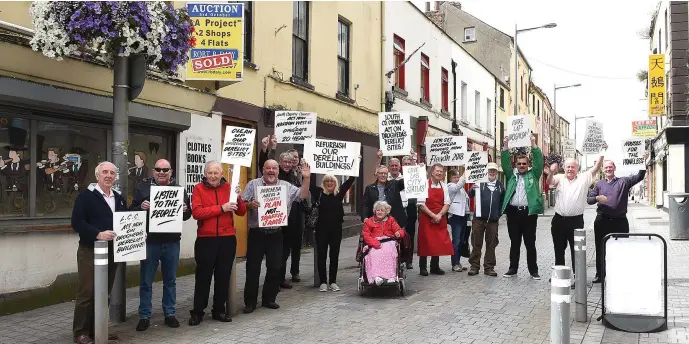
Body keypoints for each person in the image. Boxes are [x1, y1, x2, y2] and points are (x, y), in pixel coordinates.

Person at [241, 159, 311, 313]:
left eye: (274, 168)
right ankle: (250, 302)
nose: (271, 171)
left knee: (274, 268)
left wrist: (306, 178)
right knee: (252, 268)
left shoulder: (285, 186)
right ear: (263, 170)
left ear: (278, 171)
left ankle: (269, 299)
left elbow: (303, 195)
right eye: (268, 168)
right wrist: (249, 205)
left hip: (275, 234)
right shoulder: (253, 184)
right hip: (257, 233)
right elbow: (241, 203)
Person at [131, 159, 192, 331]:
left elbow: (187, 216)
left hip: (172, 242)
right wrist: (141, 207)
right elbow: (131, 210)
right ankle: (144, 316)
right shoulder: (143, 188)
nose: (162, 172)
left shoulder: (179, 190)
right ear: (153, 171)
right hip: (150, 242)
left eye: (165, 169)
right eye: (158, 169)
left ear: (171, 172)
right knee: (145, 281)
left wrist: (186, 209)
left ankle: (170, 313)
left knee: (170, 280)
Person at [71, 161, 127, 344]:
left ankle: (99, 329)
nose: (109, 175)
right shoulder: (85, 197)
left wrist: (137, 232)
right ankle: (81, 332)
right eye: (105, 172)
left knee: (104, 292)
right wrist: (98, 234)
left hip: (112, 251)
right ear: (97, 175)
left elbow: (125, 221)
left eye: (112, 172)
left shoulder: (118, 198)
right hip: (90, 250)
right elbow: (77, 223)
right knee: (86, 293)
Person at [188, 160, 247, 325]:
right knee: (203, 277)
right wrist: (221, 208)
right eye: (210, 173)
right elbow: (197, 212)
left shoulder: (229, 187)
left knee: (223, 276)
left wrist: (239, 197)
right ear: (205, 174)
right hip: (206, 239)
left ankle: (219, 310)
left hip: (227, 238)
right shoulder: (198, 188)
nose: (213, 176)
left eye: (216, 173)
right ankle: (197, 312)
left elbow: (241, 212)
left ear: (222, 174)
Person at [546, 143, 607, 283]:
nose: (570, 169)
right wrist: (550, 172)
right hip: (559, 220)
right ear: (564, 168)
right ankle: (559, 275)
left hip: (576, 221)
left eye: (573, 167)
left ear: (577, 168)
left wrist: (602, 151)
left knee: (576, 251)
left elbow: (597, 167)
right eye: (568, 167)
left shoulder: (584, 177)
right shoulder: (559, 178)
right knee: (558, 249)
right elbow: (549, 181)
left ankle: (577, 278)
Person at [587, 157, 645, 283]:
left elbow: (640, 176)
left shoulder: (624, 181)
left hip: (620, 221)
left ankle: (620, 274)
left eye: (610, 167)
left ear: (614, 168)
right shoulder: (599, 184)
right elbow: (589, 200)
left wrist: (643, 162)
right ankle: (600, 275)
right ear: (602, 169)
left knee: (621, 248)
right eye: (606, 167)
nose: (608, 169)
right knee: (600, 248)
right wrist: (597, 197)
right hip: (602, 221)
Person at [501, 135, 544, 279]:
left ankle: (534, 271)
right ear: (516, 164)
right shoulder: (511, 174)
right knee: (515, 242)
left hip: (529, 213)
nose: (521, 166)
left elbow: (539, 161)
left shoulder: (534, 174)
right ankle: (513, 268)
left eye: (524, 163)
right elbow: (505, 162)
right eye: (519, 163)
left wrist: (533, 144)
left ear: (528, 164)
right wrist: (506, 145)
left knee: (530, 243)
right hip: (513, 213)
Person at [310, 174, 356, 292]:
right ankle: (323, 282)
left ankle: (333, 282)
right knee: (321, 256)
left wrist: (357, 162)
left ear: (336, 183)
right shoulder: (319, 193)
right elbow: (307, 184)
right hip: (321, 230)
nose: (329, 183)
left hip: (336, 230)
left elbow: (350, 180)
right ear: (323, 183)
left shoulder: (339, 193)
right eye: (327, 181)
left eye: (332, 181)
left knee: (334, 256)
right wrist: (304, 173)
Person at [467, 162, 505, 276]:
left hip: (493, 220)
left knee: (491, 244)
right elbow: (469, 195)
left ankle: (489, 267)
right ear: (486, 172)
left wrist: (499, 213)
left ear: (496, 173)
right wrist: (472, 188)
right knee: (476, 243)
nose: (492, 172)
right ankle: (474, 266)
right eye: (490, 170)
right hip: (478, 219)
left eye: (494, 171)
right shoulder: (479, 183)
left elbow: (503, 201)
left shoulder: (500, 185)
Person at [417, 163, 454, 276]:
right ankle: (423, 267)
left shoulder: (444, 186)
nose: (439, 173)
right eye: (437, 171)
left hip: (440, 216)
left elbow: (447, 203)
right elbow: (421, 204)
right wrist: (433, 216)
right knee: (424, 241)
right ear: (432, 172)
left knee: (437, 242)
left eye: (441, 171)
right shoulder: (423, 184)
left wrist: (440, 215)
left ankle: (435, 266)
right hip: (426, 217)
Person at [361, 201, 406, 285]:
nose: (380, 212)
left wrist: (398, 233)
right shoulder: (369, 222)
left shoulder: (391, 220)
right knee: (373, 254)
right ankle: (376, 277)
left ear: (386, 212)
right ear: (375, 211)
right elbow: (366, 235)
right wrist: (374, 243)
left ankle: (390, 277)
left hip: (388, 241)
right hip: (374, 242)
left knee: (389, 252)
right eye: (378, 210)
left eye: (382, 210)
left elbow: (400, 230)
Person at [361, 165, 407, 230]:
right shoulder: (370, 188)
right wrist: (365, 217)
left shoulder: (394, 184)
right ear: (377, 174)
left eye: (385, 173)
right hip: (377, 222)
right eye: (381, 173)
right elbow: (365, 204)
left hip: (394, 222)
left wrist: (414, 168)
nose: (383, 175)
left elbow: (406, 182)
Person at [447, 168, 469, 272]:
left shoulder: (461, 188)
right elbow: (457, 186)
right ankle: (454, 263)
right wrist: (464, 175)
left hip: (463, 216)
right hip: (455, 216)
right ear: (450, 178)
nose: (456, 179)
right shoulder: (450, 186)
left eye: (457, 177)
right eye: (454, 177)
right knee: (456, 241)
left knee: (461, 241)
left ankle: (458, 262)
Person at [401, 154, 419, 269]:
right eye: (405, 164)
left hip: (411, 209)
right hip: (399, 209)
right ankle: (400, 257)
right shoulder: (398, 178)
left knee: (410, 235)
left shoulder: (416, 176)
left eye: (409, 164)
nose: (407, 166)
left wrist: (415, 164)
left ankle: (409, 260)